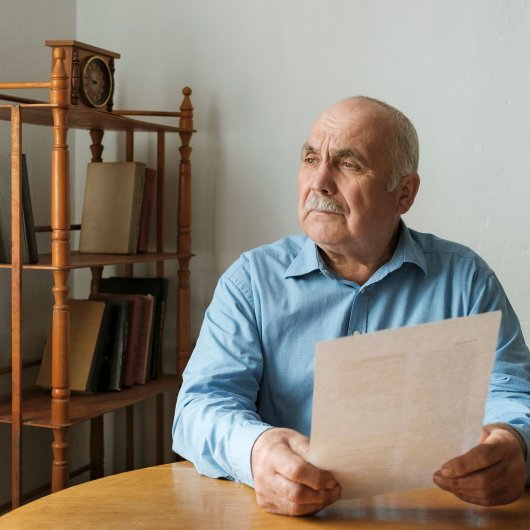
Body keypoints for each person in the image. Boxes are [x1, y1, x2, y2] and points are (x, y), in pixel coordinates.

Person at [172, 96, 530, 516]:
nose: (319, 181)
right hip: (293, 522)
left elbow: (510, 392)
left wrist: (513, 440)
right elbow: (199, 408)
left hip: (432, 516)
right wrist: (257, 450)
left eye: (348, 164)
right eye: (310, 158)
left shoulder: (466, 280)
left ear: (404, 193)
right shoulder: (250, 282)